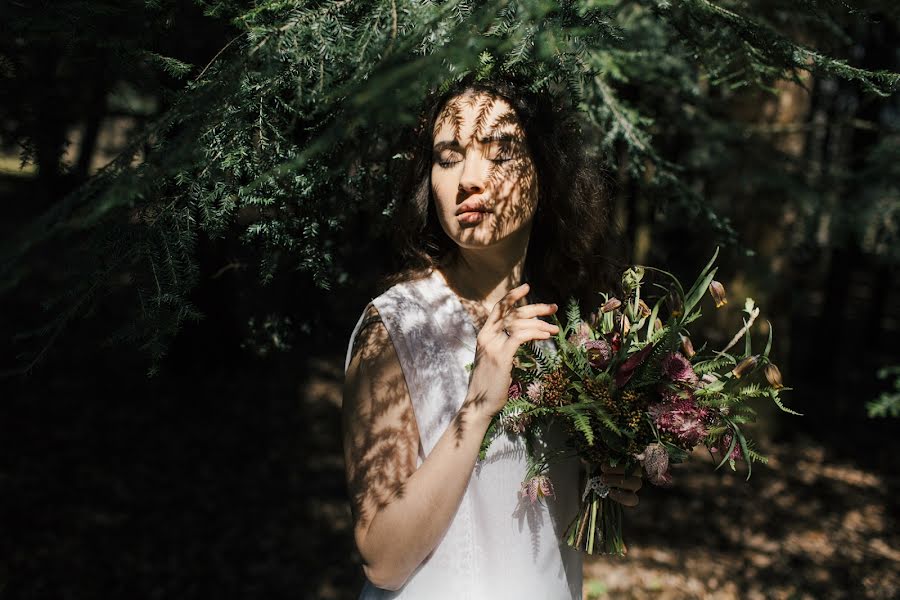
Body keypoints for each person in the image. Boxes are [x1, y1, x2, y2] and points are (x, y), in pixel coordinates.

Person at [341, 74, 643, 599]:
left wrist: (610, 473)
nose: (470, 178)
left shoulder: (568, 331)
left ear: (545, 173)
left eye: (500, 152)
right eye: (449, 156)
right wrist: (477, 406)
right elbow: (382, 559)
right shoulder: (394, 328)